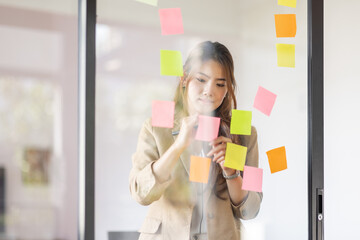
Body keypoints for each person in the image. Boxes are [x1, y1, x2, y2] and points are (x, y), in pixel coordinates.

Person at [129, 41, 262, 240]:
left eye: (220, 84)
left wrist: (231, 172)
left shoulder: (244, 133)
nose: (210, 91)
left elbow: (252, 209)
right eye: (201, 79)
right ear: (184, 79)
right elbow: (141, 193)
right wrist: (178, 146)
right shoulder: (157, 125)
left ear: (228, 89)